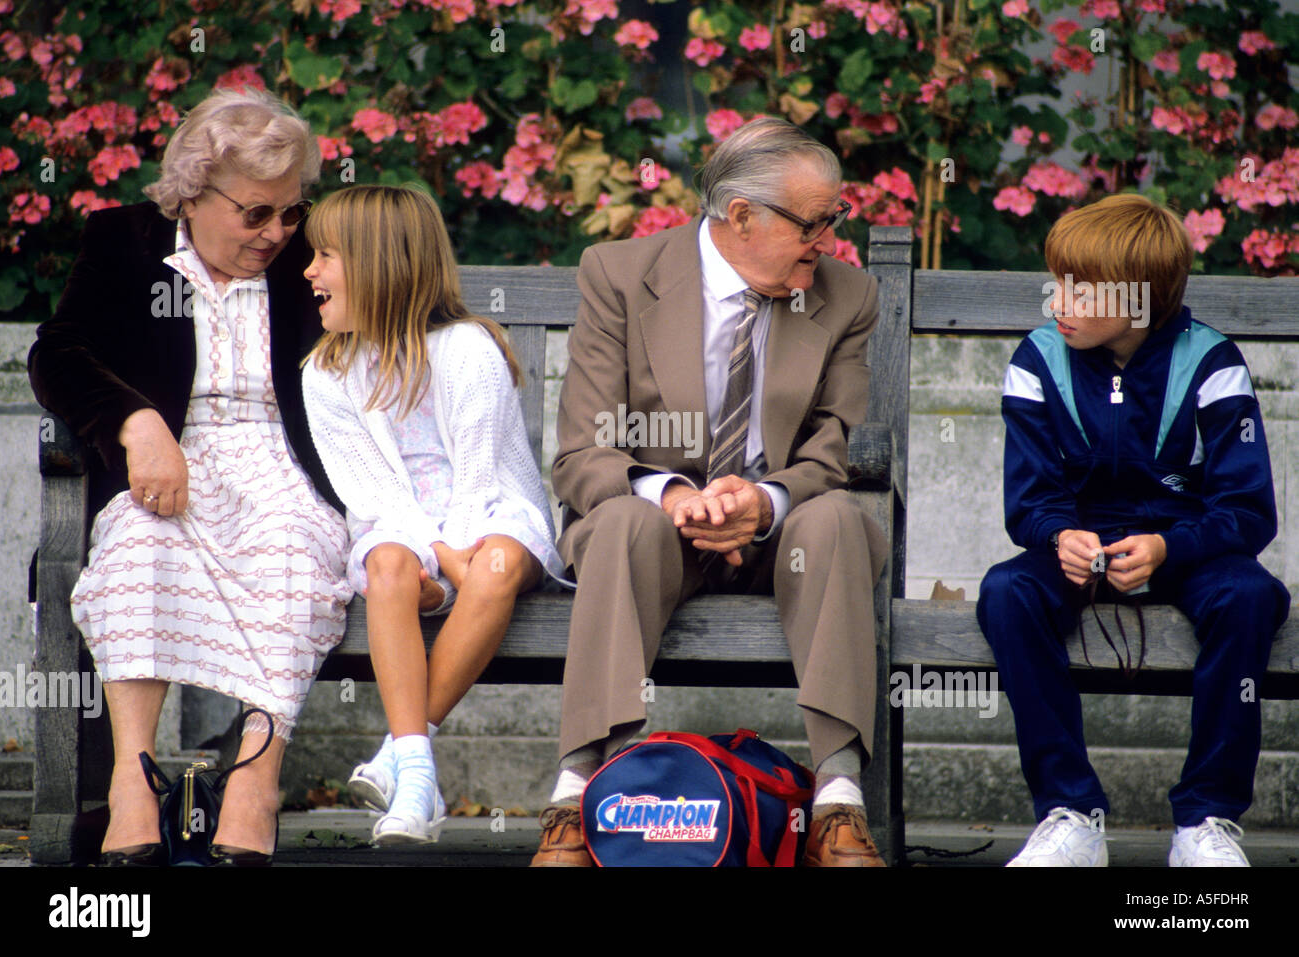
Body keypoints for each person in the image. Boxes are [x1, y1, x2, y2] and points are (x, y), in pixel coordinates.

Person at [531, 117, 890, 867]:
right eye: (815, 221)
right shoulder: (621, 275)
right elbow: (583, 451)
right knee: (627, 520)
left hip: (776, 540)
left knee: (837, 522)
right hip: (651, 536)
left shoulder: (845, 295)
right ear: (741, 217)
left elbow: (831, 449)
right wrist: (670, 495)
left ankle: (838, 800)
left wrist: (765, 503)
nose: (828, 239)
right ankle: (581, 792)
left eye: (837, 218)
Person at [27, 88, 349, 865]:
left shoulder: (310, 253)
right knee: (138, 547)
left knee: (294, 556)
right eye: (255, 214)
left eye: (291, 212)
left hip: (283, 460)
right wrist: (137, 424)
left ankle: (253, 783)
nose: (278, 233)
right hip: (171, 456)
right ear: (194, 193)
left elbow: (405, 324)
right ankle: (136, 785)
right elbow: (57, 352)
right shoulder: (124, 245)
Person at [977, 194, 1291, 867]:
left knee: (1250, 597)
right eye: (1057, 282)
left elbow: (1247, 511)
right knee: (1006, 592)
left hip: (1187, 545)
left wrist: (1168, 547)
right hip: (1078, 550)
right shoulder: (1037, 361)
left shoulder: (1211, 362)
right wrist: (1059, 534)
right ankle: (1071, 813)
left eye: (1080, 290)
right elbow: (1029, 500)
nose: (1057, 301)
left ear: (1140, 302)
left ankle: (1205, 820)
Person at [300, 185, 565, 844]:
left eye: (325, 256)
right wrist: (441, 562)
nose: (309, 271)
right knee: (387, 564)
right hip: (405, 525)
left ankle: (402, 758)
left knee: (497, 560)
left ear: (377, 264)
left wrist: (456, 564)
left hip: (494, 513)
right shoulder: (326, 374)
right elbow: (373, 496)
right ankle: (419, 775)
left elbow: (477, 480)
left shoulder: (469, 349)